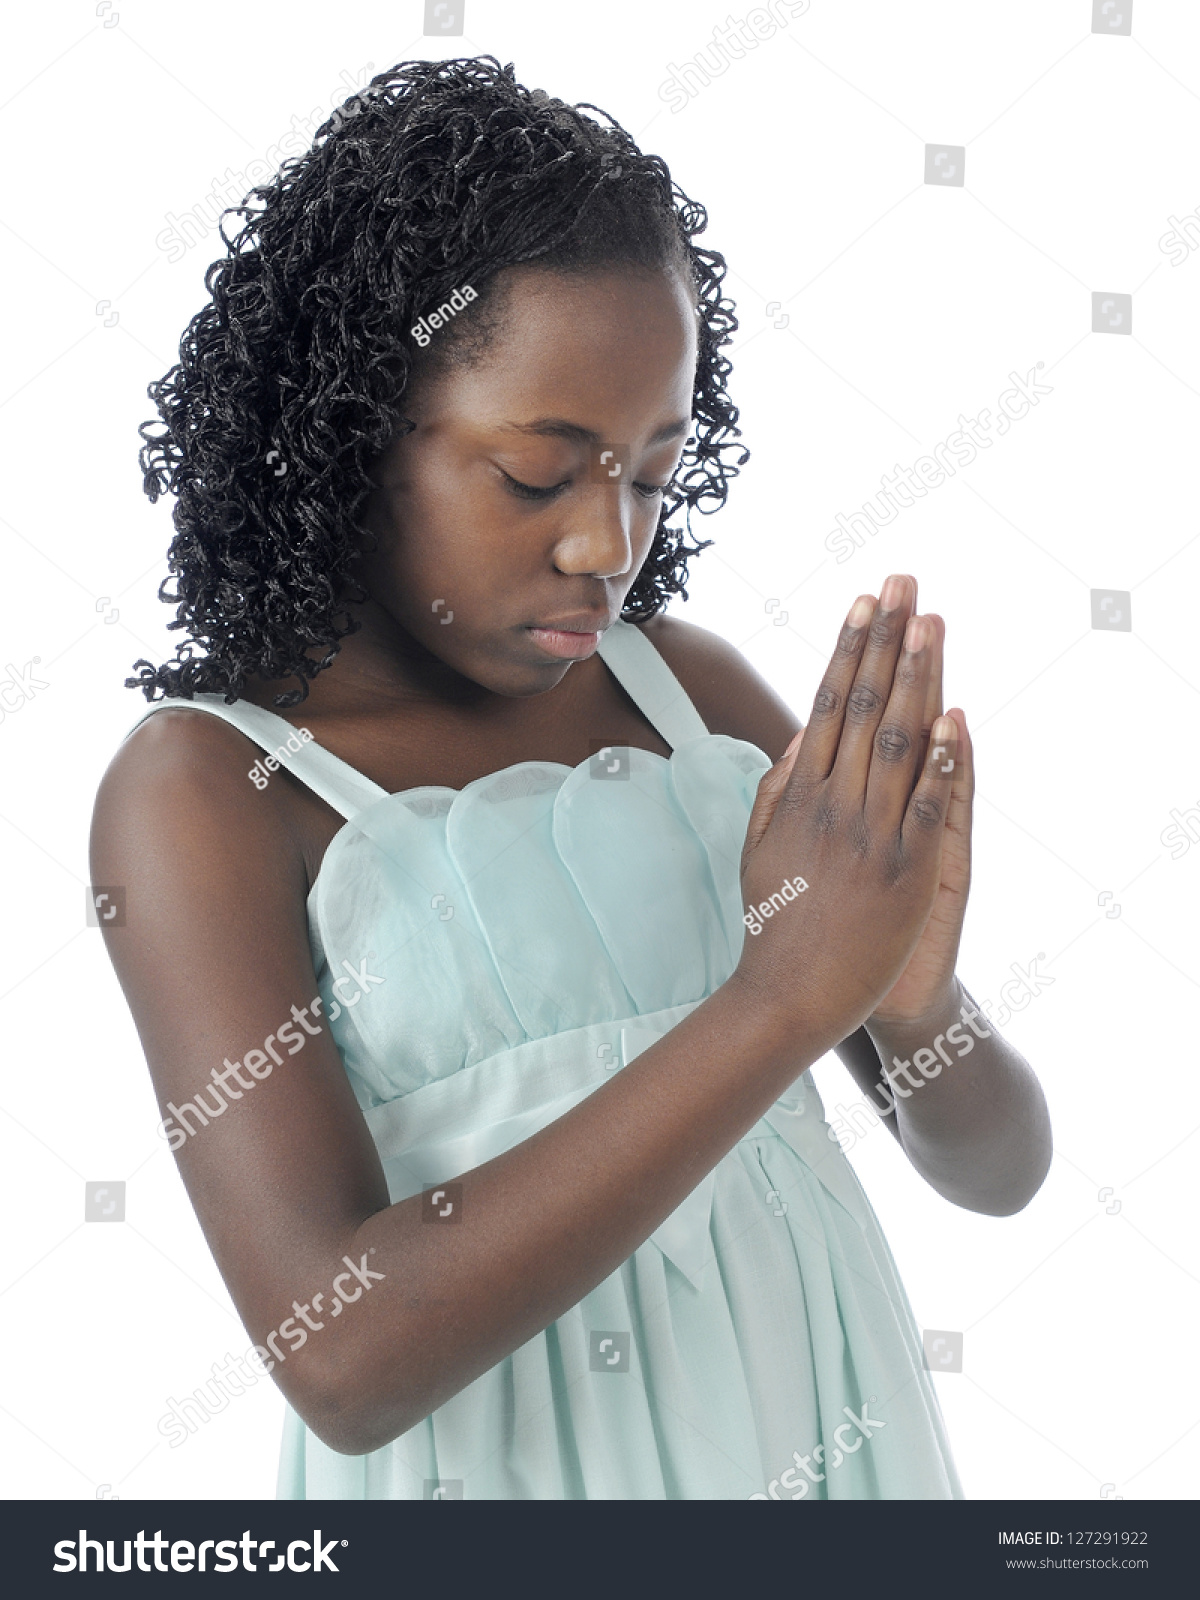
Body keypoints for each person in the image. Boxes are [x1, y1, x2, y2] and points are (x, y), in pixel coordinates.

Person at [91, 55, 1052, 1500]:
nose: (609, 543)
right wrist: (784, 1000)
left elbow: (998, 1170)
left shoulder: (697, 704)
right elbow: (341, 1362)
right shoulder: (209, 792)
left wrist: (906, 999)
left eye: (653, 472)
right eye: (540, 476)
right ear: (348, 438)